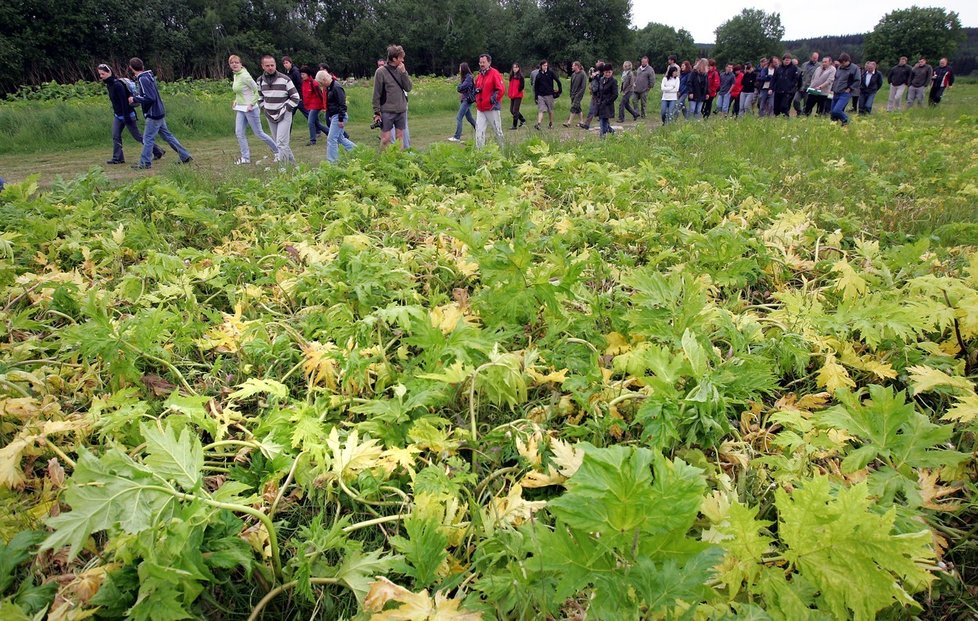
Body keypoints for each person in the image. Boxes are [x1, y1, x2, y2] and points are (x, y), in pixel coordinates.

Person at [127, 58, 192, 170]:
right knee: (167, 136)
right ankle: (185, 155)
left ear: (131, 68)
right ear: (142, 65)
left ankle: (144, 163)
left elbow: (149, 97)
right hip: (159, 110)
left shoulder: (143, 79)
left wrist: (135, 99)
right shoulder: (149, 76)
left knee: (147, 139)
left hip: (153, 113)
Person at [97, 63, 163, 165]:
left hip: (127, 114)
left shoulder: (117, 85)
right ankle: (118, 158)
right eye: (100, 74)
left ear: (109, 72)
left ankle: (157, 151)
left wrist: (126, 116)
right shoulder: (109, 85)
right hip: (118, 115)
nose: (101, 76)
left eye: (102, 74)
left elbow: (124, 102)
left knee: (138, 136)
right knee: (115, 135)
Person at [228, 55, 277, 165]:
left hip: (251, 109)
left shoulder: (245, 76)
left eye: (236, 62)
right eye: (232, 63)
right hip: (241, 108)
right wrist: (236, 100)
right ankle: (245, 158)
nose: (234, 64)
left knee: (259, 133)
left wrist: (251, 103)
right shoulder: (236, 75)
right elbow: (240, 92)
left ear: (241, 64)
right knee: (239, 132)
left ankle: (278, 151)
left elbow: (257, 91)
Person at [257, 54, 300, 165]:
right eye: (267, 65)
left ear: (275, 65)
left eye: (272, 65)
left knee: (281, 143)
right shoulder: (260, 81)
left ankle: (284, 169)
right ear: (262, 66)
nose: (270, 67)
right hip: (270, 115)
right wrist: (264, 108)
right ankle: (294, 166)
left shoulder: (285, 79)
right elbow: (259, 97)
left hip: (284, 114)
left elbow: (296, 97)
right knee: (280, 143)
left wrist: (287, 109)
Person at [372, 44, 413, 149]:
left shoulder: (401, 70)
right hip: (387, 110)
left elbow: (408, 88)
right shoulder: (380, 72)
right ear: (394, 58)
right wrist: (377, 112)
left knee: (400, 138)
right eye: (401, 58)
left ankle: (399, 161)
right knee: (386, 139)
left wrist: (404, 73)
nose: (403, 60)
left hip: (401, 110)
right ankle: (381, 160)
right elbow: (376, 93)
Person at [315, 71, 356, 163]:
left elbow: (342, 104)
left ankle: (332, 161)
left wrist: (341, 119)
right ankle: (357, 151)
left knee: (331, 139)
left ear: (324, 80)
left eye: (321, 83)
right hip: (334, 116)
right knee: (340, 138)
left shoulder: (336, 87)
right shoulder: (330, 87)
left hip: (338, 116)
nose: (322, 86)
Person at [473, 54, 505, 148]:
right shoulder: (479, 76)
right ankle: (480, 152)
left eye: (484, 62)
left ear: (489, 62)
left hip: (491, 108)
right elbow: (476, 88)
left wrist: (492, 100)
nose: (482, 64)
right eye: (480, 62)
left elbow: (501, 89)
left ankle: (503, 149)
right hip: (481, 108)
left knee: (497, 130)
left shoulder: (495, 73)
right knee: (479, 130)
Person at [300, 66, 329, 146]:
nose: (302, 76)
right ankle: (331, 133)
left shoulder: (314, 83)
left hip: (316, 106)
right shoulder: (303, 83)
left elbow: (320, 95)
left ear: (308, 74)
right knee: (317, 124)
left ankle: (313, 140)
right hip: (309, 106)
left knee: (310, 122)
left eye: (303, 74)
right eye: (301, 74)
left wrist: (324, 106)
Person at [449, 62, 476, 142]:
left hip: (466, 100)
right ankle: (479, 131)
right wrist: (460, 87)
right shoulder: (465, 77)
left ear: (463, 68)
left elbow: (463, 87)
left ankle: (457, 137)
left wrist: (459, 87)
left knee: (459, 117)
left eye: (460, 68)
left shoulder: (468, 77)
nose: (459, 69)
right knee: (469, 118)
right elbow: (461, 88)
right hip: (465, 99)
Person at [830, 53, 860, 125]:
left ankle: (846, 120)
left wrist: (850, 88)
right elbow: (836, 79)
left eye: (843, 62)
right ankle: (836, 126)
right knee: (832, 113)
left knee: (837, 110)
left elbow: (858, 80)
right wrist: (832, 89)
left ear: (847, 61)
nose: (841, 64)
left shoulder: (854, 68)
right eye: (840, 63)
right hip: (836, 92)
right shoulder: (839, 68)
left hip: (845, 93)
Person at [533, 59, 561, 130]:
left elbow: (558, 81)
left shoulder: (550, 73)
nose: (545, 67)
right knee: (541, 110)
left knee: (550, 110)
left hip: (549, 95)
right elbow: (536, 87)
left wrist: (559, 90)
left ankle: (551, 123)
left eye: (546, 65)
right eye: (544, 65)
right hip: (541, 95)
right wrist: (536, 96)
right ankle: (538, 124)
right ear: (541, 66)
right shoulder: (538, 75)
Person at [596, 63, 618, 137]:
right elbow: (599, 90)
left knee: (603, 120)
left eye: (609, 72)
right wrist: (598, 99)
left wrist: (607, 101)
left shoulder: (613, 81)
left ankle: (602, 137)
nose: (607, 74)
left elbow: (615, 94)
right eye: (606, 72)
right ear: (603, 72)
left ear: (612, 72)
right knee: (604, 120)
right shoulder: (601, 79)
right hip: (601, 103)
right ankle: (612, 132)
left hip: (608, 104)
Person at [579, 60, 603, 129]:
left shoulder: (601, 75)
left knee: (601, 110)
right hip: (595, 94)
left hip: (599, 95)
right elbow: (590, 80)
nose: (596, 63)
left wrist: (595, 76)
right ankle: (587, 124)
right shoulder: (596, 73)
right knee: (591, 109)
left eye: (598, 62)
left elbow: (598, 82)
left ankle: (606, 124)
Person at [282, 56, 307, 121]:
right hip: (291, 97)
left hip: (298, 98)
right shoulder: (287, 72)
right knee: (289, 116)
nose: (285, 65)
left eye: (287, 63)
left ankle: (320, 129)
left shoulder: (295, 72)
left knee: (307, 114)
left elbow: (300, 84)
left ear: (290, 63)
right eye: (284, 63)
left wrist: (300, 97)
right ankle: (287, 131)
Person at [563, 61, 586, 127]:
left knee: (574, 107)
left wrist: (579, 94)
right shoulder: (573, 75)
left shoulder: (583, 74)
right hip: (573, 94)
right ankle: (581, 121)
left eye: (573, 66)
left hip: (578, 94)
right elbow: (571, 85)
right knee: (578, 108)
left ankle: (569, 122)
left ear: (577, 66)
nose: (572, 67)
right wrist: (571, 93)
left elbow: (583, 86)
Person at [508, 63, 527, 129]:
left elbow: (522, 86)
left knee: (515, 110)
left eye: (516, 67)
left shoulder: (520, 76)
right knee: (511, 110)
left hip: (518, 95)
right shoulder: (512, 76)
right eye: (513, 67)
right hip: (512, 95)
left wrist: (517, 90)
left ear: (518, 68)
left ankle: (514, 125)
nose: (514, 69)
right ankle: (522, 119)